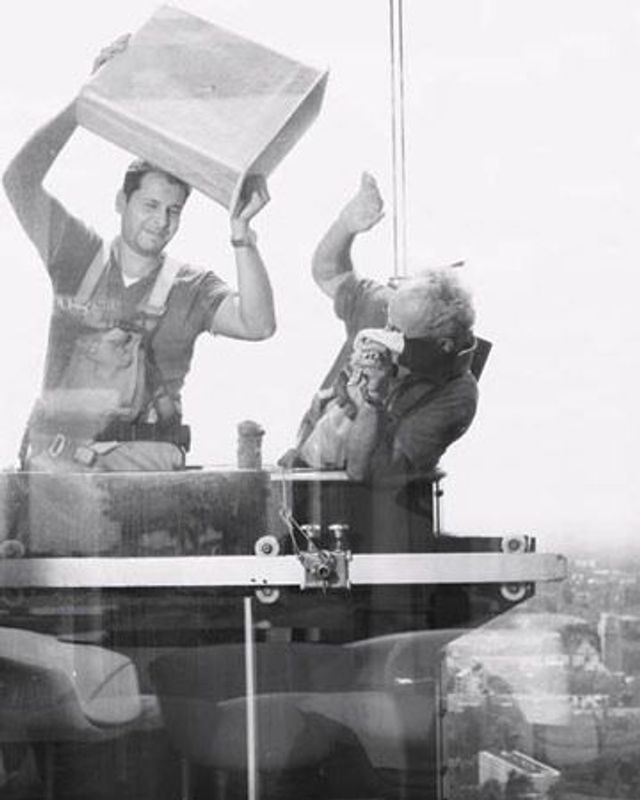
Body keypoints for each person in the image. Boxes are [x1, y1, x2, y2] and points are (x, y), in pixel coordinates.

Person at [3, 36, 276, 474]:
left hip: (145, 477)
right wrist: (83, 105)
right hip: (61, 473)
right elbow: (19, 179)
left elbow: (257, 324)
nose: (161, 221)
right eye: (150, 205)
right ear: (121, 202)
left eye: (173, 210)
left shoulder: (192, 287)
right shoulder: (76, 256)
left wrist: (242, 236)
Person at [287, 172, 479, 553]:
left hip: (375, 521)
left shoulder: (455, 398)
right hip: (304, 481)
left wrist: (372, 401)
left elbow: (363, 472)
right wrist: (346, 225)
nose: (383, 334)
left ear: (440, 344)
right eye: (386, 322)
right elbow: (327, 271)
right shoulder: (388, 308)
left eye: (397, 333)